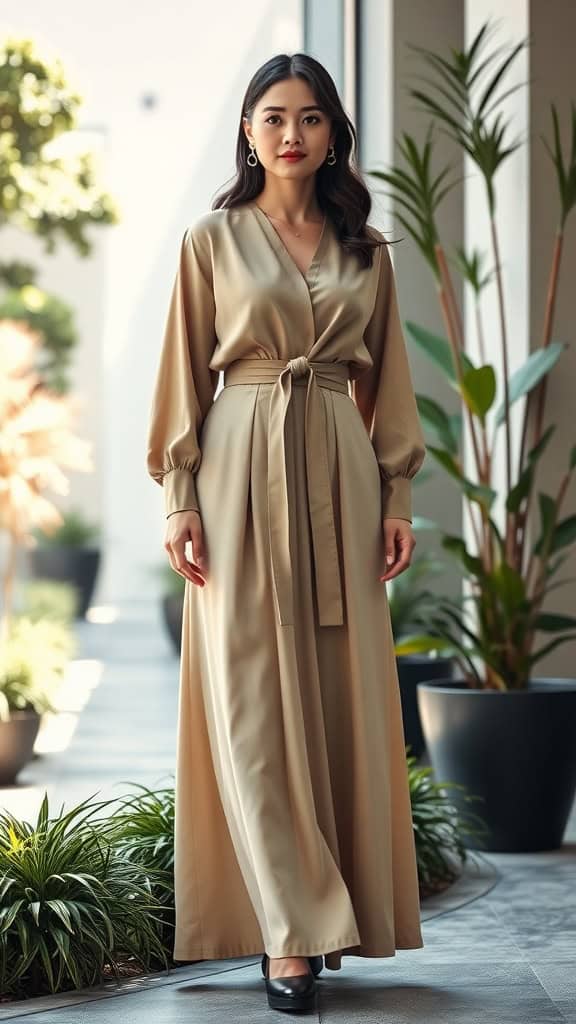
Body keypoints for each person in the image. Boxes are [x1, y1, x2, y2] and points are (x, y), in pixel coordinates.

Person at [146, 51, 426, 1015]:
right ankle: (286, 934)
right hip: (235, 470)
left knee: (340, 688)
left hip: (341, 473)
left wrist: (396, 498)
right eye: (273, 117)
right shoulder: (210, 239)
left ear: (334, 132)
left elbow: (386, 381)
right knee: (252, 698)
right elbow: (185, 371)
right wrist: (179, 495)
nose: (292, 134)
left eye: (310, 118)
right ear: (247, 130)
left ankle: (330, 914)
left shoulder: (368, 250)